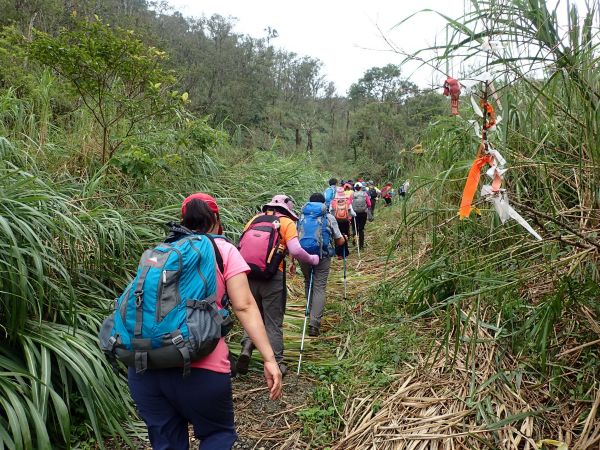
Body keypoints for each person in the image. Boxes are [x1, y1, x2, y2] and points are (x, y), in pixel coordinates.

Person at [127, 193, 282, 450]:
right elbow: (244, 305)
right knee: (216, 435)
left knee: (166, 443)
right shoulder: (223, 249)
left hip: (145, 366)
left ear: (182, 220)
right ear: (217, 220)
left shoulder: (158, 253)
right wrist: (269, 358)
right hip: (201, 367)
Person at [237, 195, 319, 377]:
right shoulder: (287, 223)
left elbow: (242, 245)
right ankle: (277, 361)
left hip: (248, 274)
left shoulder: (255, 219)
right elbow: (296, 250)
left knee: (252, 313)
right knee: (273, 320)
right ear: (287, 209)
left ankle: (247, 346)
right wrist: (312, 259)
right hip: (272, 277)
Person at [298, 193, 346, 337]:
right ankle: (314, 324)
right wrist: (344, 238)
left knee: (308, 283)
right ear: (324, 204)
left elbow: (295, 239)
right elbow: (339, 241)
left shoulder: (301, 217)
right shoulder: (328, 217)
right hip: (322, 256)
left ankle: (309, 312)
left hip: (303, 255)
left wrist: (293, 260)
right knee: (319, 287)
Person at [330, 186, 355, 259]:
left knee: (337, 236)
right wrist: (353, 215)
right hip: (345, 221)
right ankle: (345, 253)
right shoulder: (347, 201)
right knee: (345, 236)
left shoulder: (333, 202)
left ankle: (338, 253)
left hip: (336, 221)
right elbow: (352, 212)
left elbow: (330, 211)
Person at [352, 182, 371, 250]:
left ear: (354, 188)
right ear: (361, 187)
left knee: (355, 228)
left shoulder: (352, 194)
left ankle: (354, 239)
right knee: (361, 229)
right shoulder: (365, 194)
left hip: (354, 213)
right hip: (363, 213)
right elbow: (369, 204)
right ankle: (361, 245)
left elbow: (349, 204)